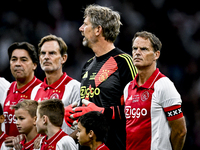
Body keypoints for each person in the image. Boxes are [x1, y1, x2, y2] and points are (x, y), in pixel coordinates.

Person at [65, 4, 137, 150]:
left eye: (85, 24)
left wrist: (102, 112)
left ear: (98, 29)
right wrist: (74, 113)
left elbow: (137, 109)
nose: (80, 29)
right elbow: (90, 105)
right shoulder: (87, 65)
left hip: (114, 145)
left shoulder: (124, 61)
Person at [123, 31, 187, 150]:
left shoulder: (164, 85)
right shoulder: (128, 88)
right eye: (134, 48)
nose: (137, 52)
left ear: (156, 55)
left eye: (144, 49)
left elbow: (180, 131)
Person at [31, 34, 80, 135]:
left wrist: (61, 143)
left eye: (52, 53)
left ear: (63, 58)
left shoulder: (75, 87)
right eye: (43, 53)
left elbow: (82, 126)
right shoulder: (35, 90)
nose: (46, 57)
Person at [2, 42, 42, 148]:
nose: (17, 64)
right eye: (14, 59)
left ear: (34, 65)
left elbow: (50, 128)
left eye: (23, 60)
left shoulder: (42, 90)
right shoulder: (7, 89)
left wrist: (25, 137)